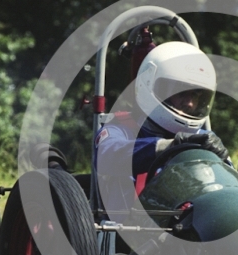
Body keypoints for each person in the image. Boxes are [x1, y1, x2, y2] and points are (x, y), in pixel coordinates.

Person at [94, 41, 230, 213]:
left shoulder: (204, 137)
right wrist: (169, 146)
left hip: (195, 228)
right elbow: (105, 156)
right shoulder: (121, 129)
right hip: (129, 231)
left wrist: (223, 162)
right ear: (151, 87)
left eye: (195, 95)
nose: (189, 103)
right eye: (181, 92)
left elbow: (230, 190)